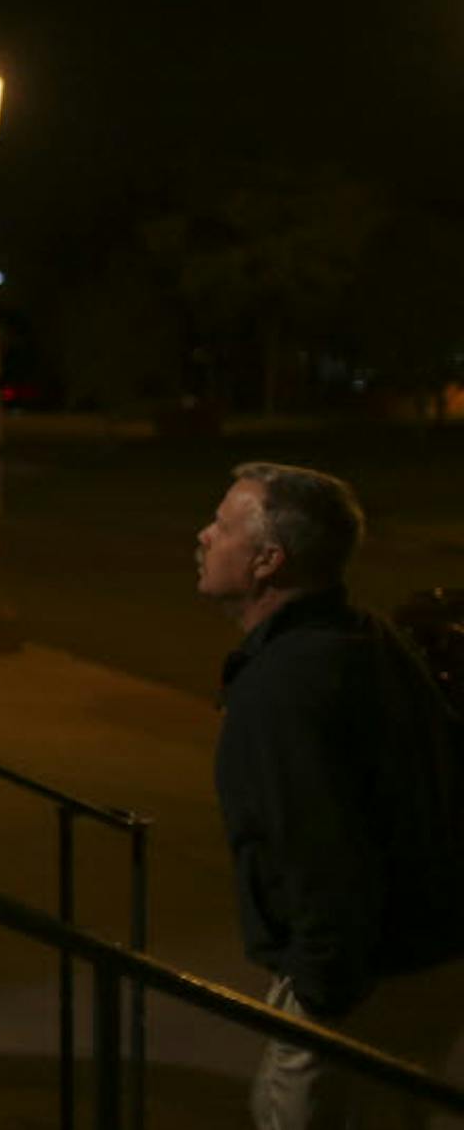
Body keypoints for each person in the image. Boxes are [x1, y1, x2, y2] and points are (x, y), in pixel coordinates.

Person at [197, 462, 464, 1128]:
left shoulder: (281, 689)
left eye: (223, 525)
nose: (203, 535)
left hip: (359, 982)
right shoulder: (367, 637)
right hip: (428, 958)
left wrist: (319, 996)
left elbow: (320, 857)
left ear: (267, 560)